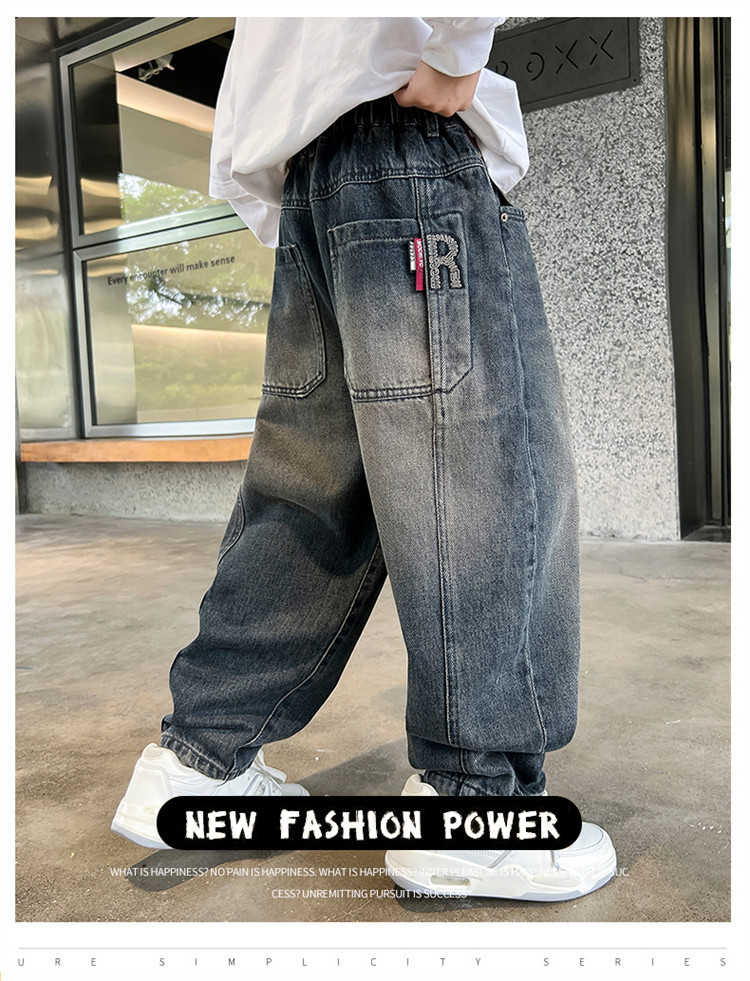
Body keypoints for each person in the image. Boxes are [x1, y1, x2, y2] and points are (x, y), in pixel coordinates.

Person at [112, 16, 616, 901]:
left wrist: (290, 189)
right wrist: (457, 49)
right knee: (484, 481)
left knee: (310, 493)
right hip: (412, 154)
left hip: (310, 179)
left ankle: (199, 761)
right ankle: (478, 812)